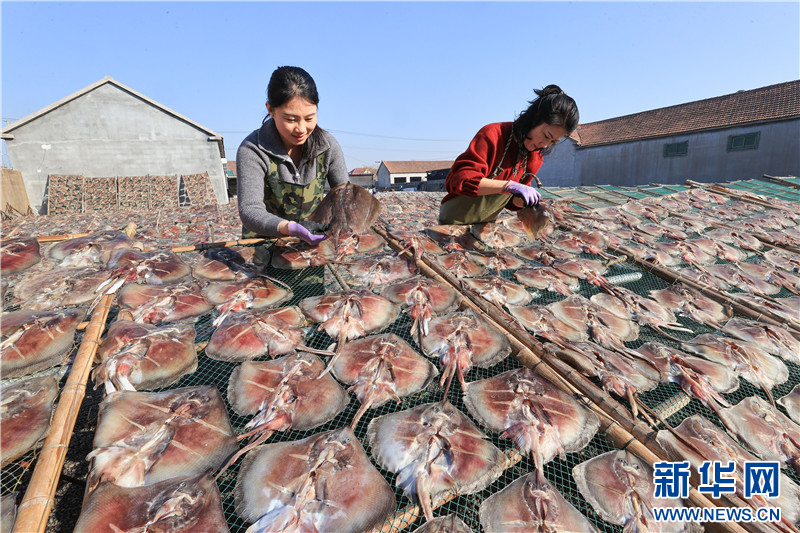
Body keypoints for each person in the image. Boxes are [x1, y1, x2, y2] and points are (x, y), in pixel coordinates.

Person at [237, 66, 349, 244]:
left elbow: (345, 197)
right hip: (263, 245)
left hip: (312, 243)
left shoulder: (327, 146)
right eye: (291, 119)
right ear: (271, 110)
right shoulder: (253, 150)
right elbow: (250, 210)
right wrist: (289, 228)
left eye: (309, 118)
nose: (301, 129)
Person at [438, 85, 579, 225]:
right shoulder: (493, 135)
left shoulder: (535, 158)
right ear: (534, 119)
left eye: (553, 141)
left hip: (485, 225)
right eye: (546, 135)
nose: (545, 145)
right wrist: (508, 186)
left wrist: (523, 201)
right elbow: (461, 181)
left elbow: (511, 202)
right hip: (453, 222)